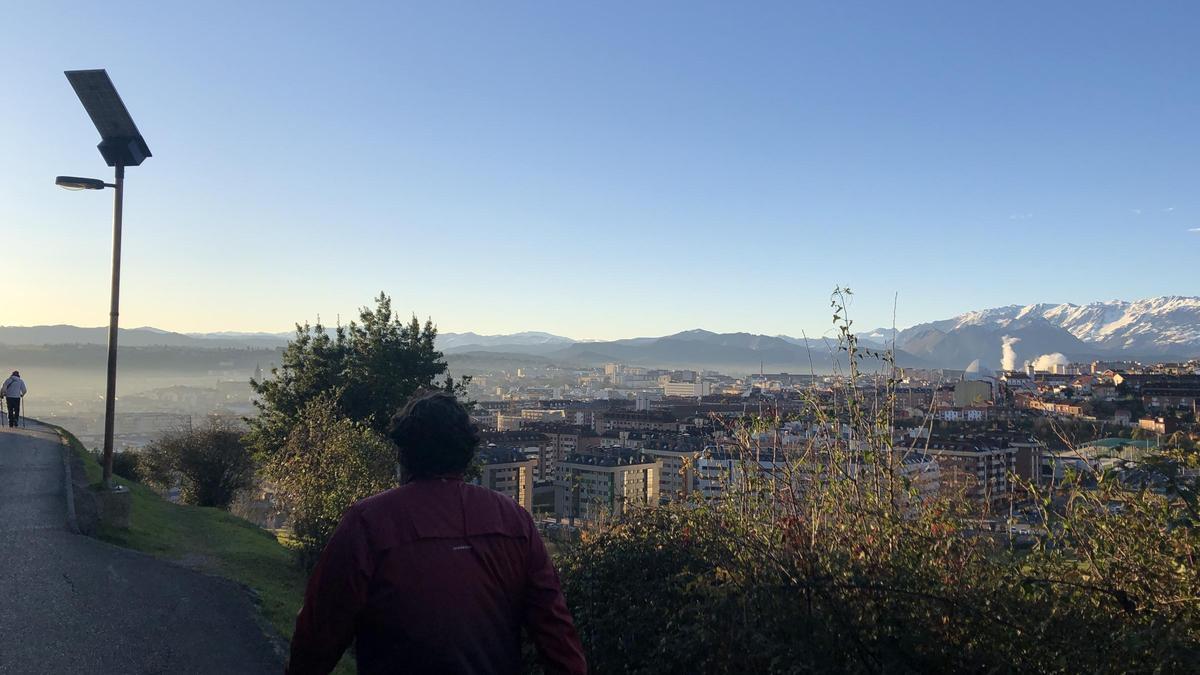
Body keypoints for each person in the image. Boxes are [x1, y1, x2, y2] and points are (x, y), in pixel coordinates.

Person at [286, 390, 587, 675]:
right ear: (467, 454)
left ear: (404, 453)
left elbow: (320, 629)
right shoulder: (513, 520)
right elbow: (555, 631)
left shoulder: (369, 522)